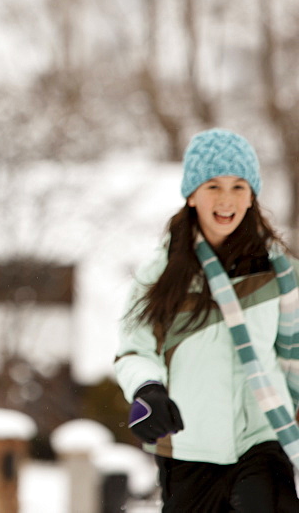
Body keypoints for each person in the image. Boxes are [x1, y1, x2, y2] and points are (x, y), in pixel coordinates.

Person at [115, 128, 299, 512]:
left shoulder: (280, 272)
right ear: (192, 194)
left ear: (252, 197)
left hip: (264, 435)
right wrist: (148, 390)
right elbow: (135, 349)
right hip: (189, 443)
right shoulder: (161, 273)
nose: (226, 199)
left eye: (238, 186)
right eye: (213, 185)